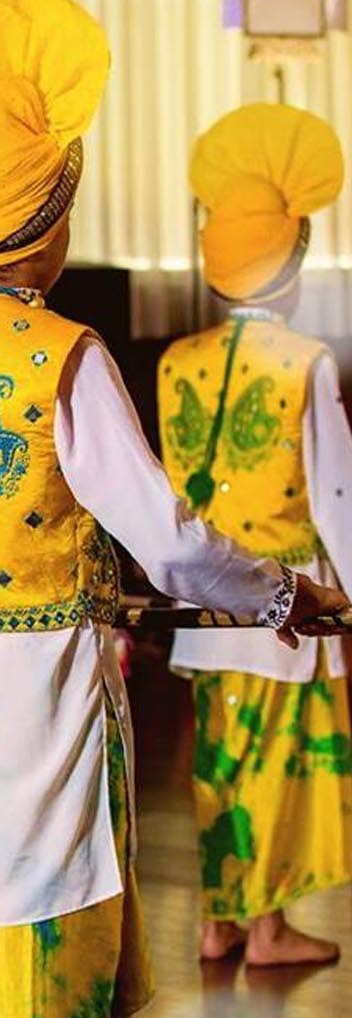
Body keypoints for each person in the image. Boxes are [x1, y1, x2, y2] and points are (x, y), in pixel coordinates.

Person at [0, 0, 348, 1018]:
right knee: (42, 902)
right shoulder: (66, 354)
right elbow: (168, 542)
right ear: (45, 222)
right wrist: (281, 594)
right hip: (42, 692)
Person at [158, 102, 352, 966]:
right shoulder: (305, 362)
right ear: (291, 266)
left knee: (219, 764)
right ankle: (269, 928)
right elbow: (338, 493)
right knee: (277, 763)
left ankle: (218, 922)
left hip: (202, 602)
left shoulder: (176, 361)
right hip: (288, 598)